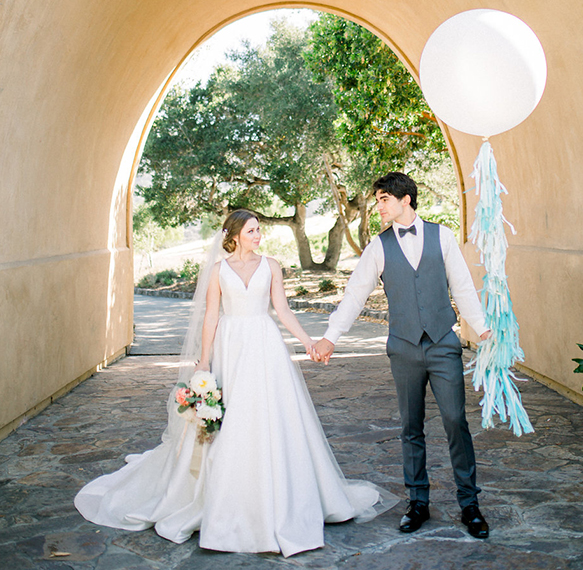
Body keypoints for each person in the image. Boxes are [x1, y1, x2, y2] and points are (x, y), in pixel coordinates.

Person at [75, 210, 396, 556]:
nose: (258, 235)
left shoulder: (271, 266)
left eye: (259, 229)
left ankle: (275, 496)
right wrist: (204, 360)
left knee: (269, 416)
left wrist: (307, 342)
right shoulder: (219, 271)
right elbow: (211, 315)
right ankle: (228, 498)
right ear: (235, 235)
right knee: (231, 420)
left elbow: (283, 310)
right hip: (230, 348)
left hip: (264, 345)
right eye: (252, 230)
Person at [313, 172, 492, 540]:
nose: (378, 206)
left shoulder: (442, 236)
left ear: (405, 199)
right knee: (411, 428)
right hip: (403, 347)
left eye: (383, 199)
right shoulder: (377, 247)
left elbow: (462, 286)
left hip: (443, 343)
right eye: (377, 199)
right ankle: (418, 503)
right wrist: (331, 337)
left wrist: (483, 327)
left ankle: (469, 505)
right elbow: (354, 295)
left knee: (455, 420)